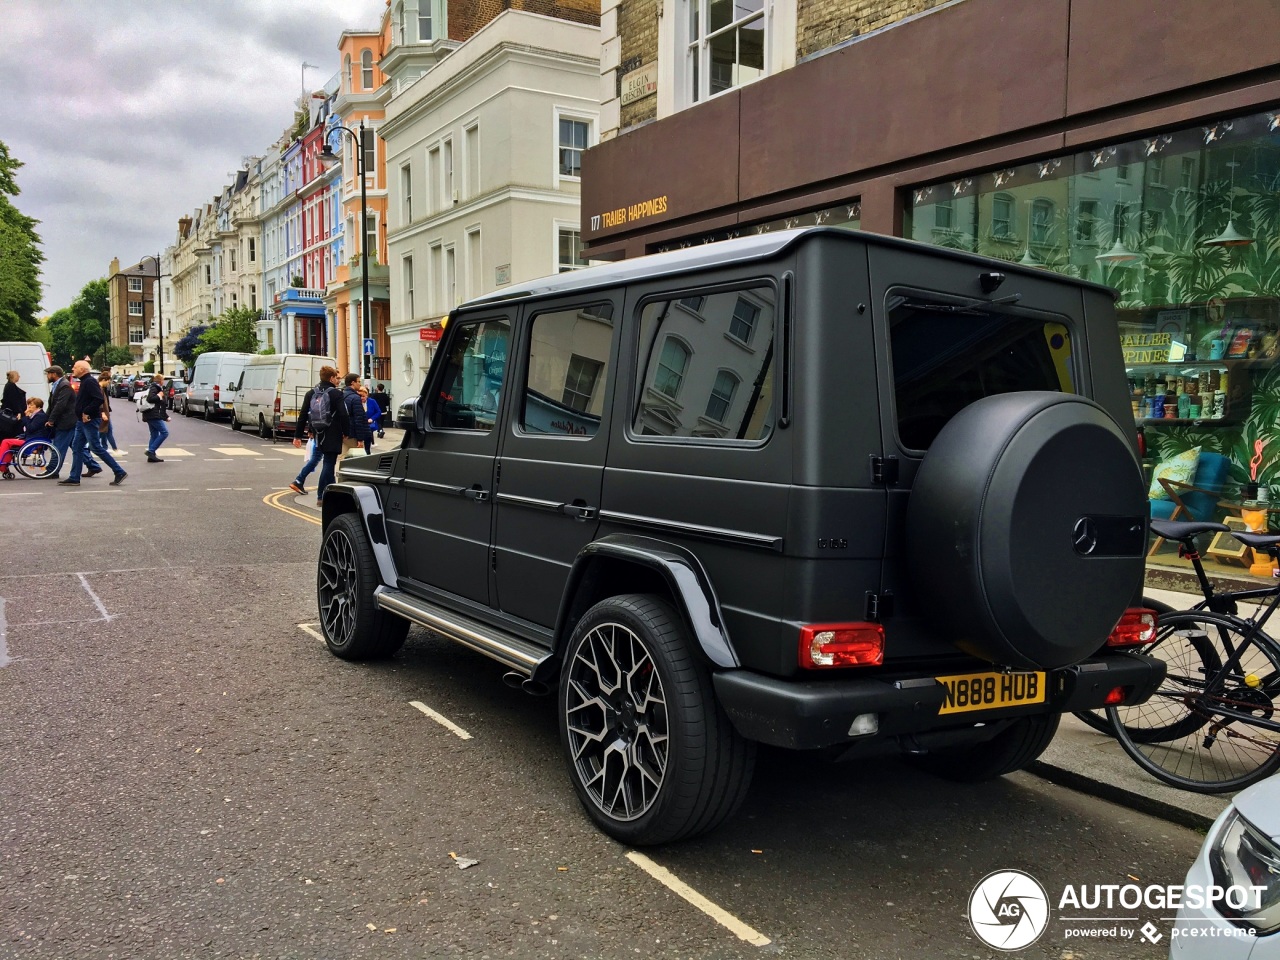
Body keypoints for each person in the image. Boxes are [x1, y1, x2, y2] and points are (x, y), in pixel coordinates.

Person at [58, 359, 126, 487]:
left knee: (96, 447)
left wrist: (86, 412)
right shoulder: (85, 381)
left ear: (82, 370)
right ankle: (74, 477)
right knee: (77, 447)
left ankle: (119, 471)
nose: (73, 369)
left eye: (75, 367)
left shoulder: (89, 382)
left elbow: (98, 399)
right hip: (81, 421)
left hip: (89, 420)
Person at [292, 366, 347, 505]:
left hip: (317, 432)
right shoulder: (336, 394)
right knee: (329, 463)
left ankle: (332, 494)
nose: (337, 380)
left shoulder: (311, 393)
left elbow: (303, 415)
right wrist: (347, 432)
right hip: (333, 432)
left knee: (326, 463)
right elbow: (343, 414)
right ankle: (321, 496)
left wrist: (297, 436)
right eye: (336, 377)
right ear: (331, 378)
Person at [44, 365, 100, 479]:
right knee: (76, 446)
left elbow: (60, 405)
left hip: (67, 421)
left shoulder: (64, 386)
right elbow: (52, 405)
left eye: (48, 373)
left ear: (54, 374)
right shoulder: (57, 385)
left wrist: (51, 419)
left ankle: (52, 470)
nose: (47, 376)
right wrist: (46, 417)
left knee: (58, 446)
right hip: (69, 421)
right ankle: (93, 466)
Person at [0, 397, 49, 476]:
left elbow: (31, 428)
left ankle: (2, 465)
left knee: (6, 442)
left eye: (31, 405)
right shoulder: (33, 415)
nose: (29, 407)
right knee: (9, 443)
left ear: (38, 406)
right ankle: (3, 465)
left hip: (33, 440)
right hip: (30, 438)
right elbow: (23, 426)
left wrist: (26, 417)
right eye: (28, 405)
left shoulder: (40, 416)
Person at [142, 372, 170, 462]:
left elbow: (161, 406)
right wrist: (159, 395)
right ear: (160, 381)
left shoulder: (155, 387)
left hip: (151, 414)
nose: (164, 382)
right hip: (153, 415)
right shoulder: (155, 388)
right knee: (164, 432)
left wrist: (165, 416)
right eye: (163, 380)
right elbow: (150, 399)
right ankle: (151, 451)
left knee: (154, 435)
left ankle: (151, 457)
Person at [341, 372, 369, 457]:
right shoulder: (355, 398)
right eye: (358, 381)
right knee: (357, 459)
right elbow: (358, 419)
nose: (360, 384)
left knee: (343, 455)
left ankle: (338, 470)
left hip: (344, 431)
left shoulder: (341, 395)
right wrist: (360, 439)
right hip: (353, 433)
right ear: (352, 383)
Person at [97, 373, 120, 452]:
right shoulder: (99, 389)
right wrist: (102, 413)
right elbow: (99, 402)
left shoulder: (101, 388)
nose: (108, 384)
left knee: (106, 431)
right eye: (108, 382)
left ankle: (115, 449)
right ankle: (88, 447)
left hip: (105, 413)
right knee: (101, 432)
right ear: (103, 380)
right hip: (103, 414)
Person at [358, 385, 380, 455]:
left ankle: (367, 452)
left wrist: (372, 418)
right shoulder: (356, 402)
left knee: (368, 441)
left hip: (369, 425)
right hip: (360, 425)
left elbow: (378, 411)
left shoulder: (372, 401)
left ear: (367, 395)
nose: (362, 398)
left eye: (363, 396)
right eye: (360, 396)